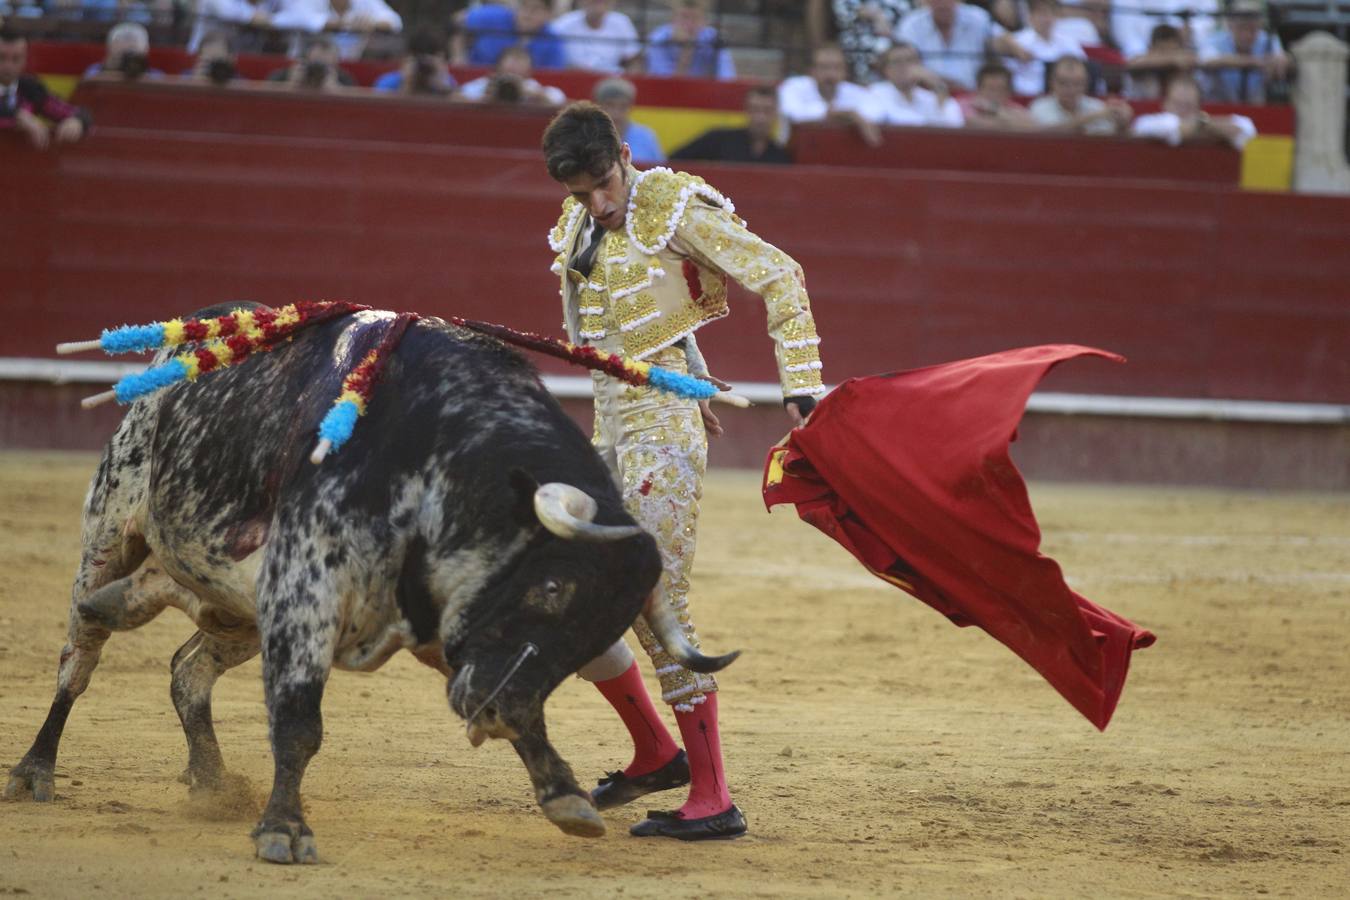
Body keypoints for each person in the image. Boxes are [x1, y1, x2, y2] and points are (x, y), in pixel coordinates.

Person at [541, 100, 825, 841]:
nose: (598, 204)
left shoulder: (673, 205)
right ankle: (654, 753)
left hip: (659, 431)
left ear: (625, 155)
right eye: (581, 193)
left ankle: (713, 797)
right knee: (582, 584)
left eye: (604, 183)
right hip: (612, 425)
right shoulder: (576, 226)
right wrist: (696, 375)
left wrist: (804, 386)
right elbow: (665, 319)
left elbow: (781, 275)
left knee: (656, 595)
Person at [893, 0, 1033, 92]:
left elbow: (1004, 42)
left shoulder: (977, 17)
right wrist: (939, 83)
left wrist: (1016, 48)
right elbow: (904, 63)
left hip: (973, 97)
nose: (943, 3)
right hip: (927, 95)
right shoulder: (911, 24)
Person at [1, 28, 92, 150]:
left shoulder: (30, 88)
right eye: (1, 58)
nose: (8, 66)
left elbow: (77, 112)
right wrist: (18, 115)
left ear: (25, 59)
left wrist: (77, 121)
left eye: (16, 59)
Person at [777, 43, 883, 146]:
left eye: (837, 67)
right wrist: (849, 115)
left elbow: (877, 113)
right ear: (811, 71)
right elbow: (793, 113)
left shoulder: (856, 92)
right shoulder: (793, 86)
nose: (830, 74)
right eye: (824, 67)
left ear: (845, 72)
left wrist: (844, 115)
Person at [670, 84, 792, 163]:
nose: (760, 117)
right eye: (755, 109)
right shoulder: (717, 139)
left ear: (776, 113)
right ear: (747, 111)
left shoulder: (780, 156)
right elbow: (675, 159)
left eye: (767, 110)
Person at [1132, 72, 1256, 149]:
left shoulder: (1205, 122)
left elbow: (1247, 129)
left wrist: (1203, 123)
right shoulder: (1146, 123)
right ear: (1165, 104)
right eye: (1177, 104)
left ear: (1199, 106)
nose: (1183, 110)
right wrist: (1204, 125)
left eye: (1188, 106)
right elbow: (1172, 128)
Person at [1198, 0, 1288, 104]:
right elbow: (1207, 61)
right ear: (1229, 24)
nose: (1247, 35)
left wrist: (1280, 61)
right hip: (1219, 107)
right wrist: (1255, 62)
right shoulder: (1214, 40)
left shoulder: (1268, 40)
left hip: (1257, 107)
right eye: (1241, 27)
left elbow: (1281, 61)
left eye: (1252, 29)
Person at [1029, 55, 1132, 134]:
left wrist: (1123, 124)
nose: (1071, 89)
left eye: (1077, 83)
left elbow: (1112, 137)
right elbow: (1047, 133)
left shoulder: (1096, 106)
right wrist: (1093, 117)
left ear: (1086, 84)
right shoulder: (1039, 106)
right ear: (1052, 83)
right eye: (1063, 83)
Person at [868, 42, 963, 127]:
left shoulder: (927, 97)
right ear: (885, 69)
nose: (905, 66)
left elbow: (955, 124)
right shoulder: (875, 93)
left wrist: (937, 85)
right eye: (897, 62)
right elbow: (896, 120)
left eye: (910, 60)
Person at [1006, 0, 1085, 96]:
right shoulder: (1018, 41)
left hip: (1062, 96)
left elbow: (1082, 68)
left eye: (1050, 13)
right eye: (1041, 14)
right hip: (1026, 96)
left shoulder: (1068, 42)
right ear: (1030, 16)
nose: (1046, 19)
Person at [645, 0, 735, 80]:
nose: (689, 24)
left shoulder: (714, 39)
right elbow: (663, 86)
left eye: (695, 18)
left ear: (705, 22)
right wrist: (686, 52)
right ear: (673, 19)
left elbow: (727, 78)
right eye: (684, 17)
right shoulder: (658, 39)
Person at [553, 0, 640, 73]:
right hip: (574, 81)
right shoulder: (562, 25)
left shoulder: (622, 22)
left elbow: (634, 61)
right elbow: (555, 63)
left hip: (612, 84)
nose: (598, 2)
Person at [460, 44, 565, 104]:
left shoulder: (533, 86)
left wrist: (534, 95)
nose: (515, 64)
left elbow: (560, 101)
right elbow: (456, 97)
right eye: (512, 59)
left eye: (520, 60)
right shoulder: (486, 84)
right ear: (498, 65)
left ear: (529, 70)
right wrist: (484, 100)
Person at [593, 76, 663, 163]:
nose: (616, 113)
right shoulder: (587, 135)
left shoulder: (646, 136)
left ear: (631, 107)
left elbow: (660, 169)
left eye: (623, 106)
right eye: (610, 105)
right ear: (598, 106)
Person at [373, 25, 456, 94]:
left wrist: (444, 89)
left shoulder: (446, 81)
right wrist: (405, 84)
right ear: (405, 59)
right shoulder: (387, 83)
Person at [1124, 23, 1195, 100]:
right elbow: (1132, 64)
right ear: (1152, 47)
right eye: (1162, 49)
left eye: (1172, 49)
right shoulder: (1141, 60)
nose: (1167, 53)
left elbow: (1190, 59)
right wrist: (1170, 60)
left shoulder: (1186, 58)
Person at [960, 62, 1036, 130]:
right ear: (978, 89)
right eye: (991, 89)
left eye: (1000, 89)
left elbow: (1032, 126)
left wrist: (996, 109)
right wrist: (1011, 121)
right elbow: (973, 123)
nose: (995, 94)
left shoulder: (1015, 108)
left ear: (1009, 91)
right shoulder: (964, 105)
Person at [266, 36, 354, 89]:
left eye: (327, 65)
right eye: (315, 62)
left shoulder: (345, 78)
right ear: (304, 59)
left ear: (336, 63)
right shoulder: (284, 73)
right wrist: (290, 84)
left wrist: (336, 88)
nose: (318, 69)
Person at [82, 22, 163, 80]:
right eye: (121, 54)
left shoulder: (156, 77)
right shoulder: (95, 71)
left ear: (146, 50)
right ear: (110, 51)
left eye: (132, 53)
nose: (128, 60)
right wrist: (106, 70)